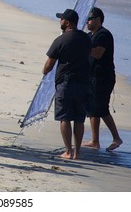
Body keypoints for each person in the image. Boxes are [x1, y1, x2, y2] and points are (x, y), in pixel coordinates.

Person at [43, 9, 91, 160]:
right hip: (83, 82)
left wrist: (44, 71)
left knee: (65, 118)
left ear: (67, 22)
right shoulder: (86, 38)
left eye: (62, 19)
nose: (60, 21)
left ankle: (68, 151)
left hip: (66, 82)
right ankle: (77, 153)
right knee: (78, 118)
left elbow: (49, 65)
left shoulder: (61, 40)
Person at [83, 7, 123, 151]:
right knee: (92, 108)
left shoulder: (103, 35)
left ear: (98, 19)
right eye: (87, 18)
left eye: (90, 18)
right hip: (92, 76)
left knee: (100, 107)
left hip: (103, 77)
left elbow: (98, 54)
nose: (87, 21)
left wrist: (83, 47)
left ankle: (117, 138)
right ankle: (95, 141)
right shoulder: (90, 35)